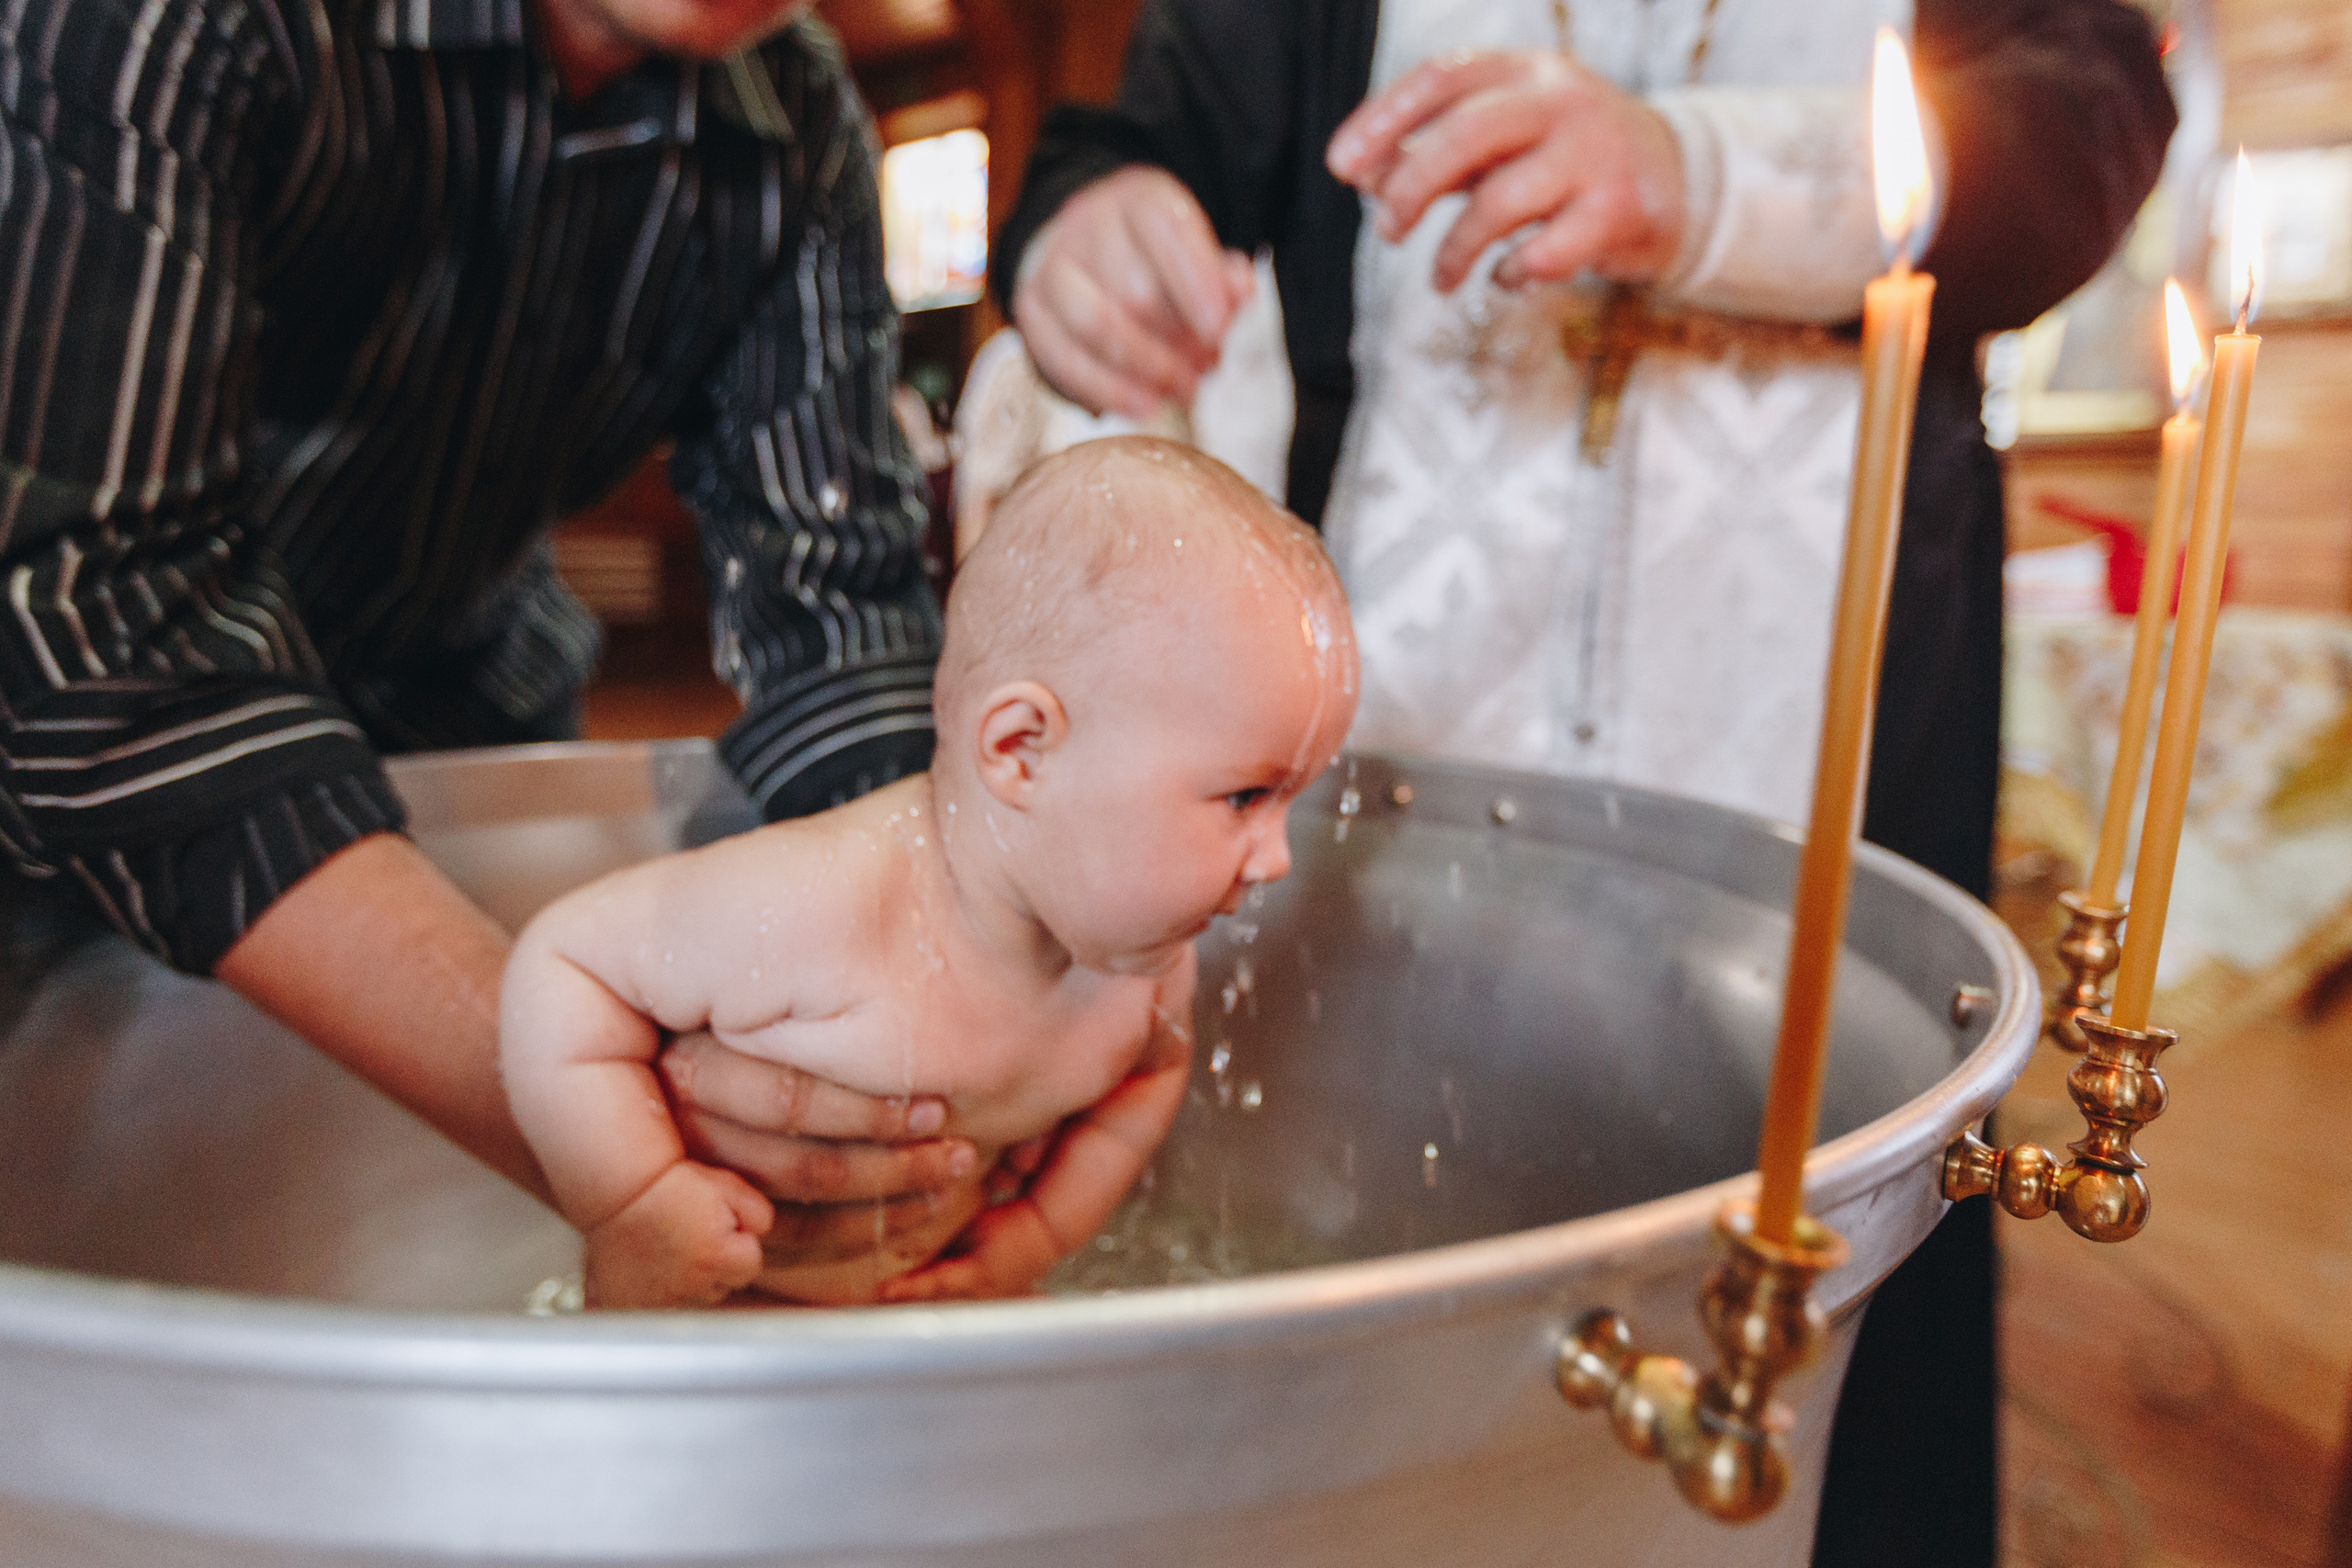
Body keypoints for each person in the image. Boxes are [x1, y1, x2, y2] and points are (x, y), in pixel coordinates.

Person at [990, 2, 2175, 1563]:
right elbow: (1149, 135)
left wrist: (1700, 177)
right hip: (1400, 734)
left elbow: (2084, 114)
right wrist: (1092, 224)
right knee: (1354, 1319)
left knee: (1821, 1350)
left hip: (1816, 719)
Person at [0, 0, 978, 1264]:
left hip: (453, 694)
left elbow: (839, 619)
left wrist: (965, 1011)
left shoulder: (796, 131)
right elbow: (95, 607)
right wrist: (595, 1107)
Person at [499, 437, 1359, 1307]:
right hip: (718, 1326)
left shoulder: (1142, 970)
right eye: (1246, 796)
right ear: (1021, 750)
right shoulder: (820, 904)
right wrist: (633, 1197)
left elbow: (1149, 1080)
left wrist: (1036, 1234)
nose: (1278, 858)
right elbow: (563, 965)